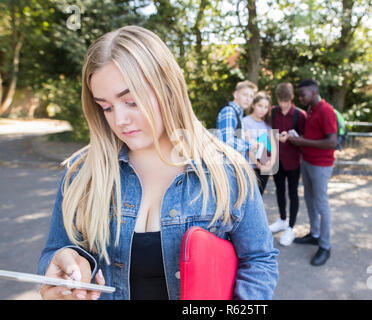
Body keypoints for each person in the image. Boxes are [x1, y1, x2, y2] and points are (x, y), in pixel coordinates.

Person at [37, 26, 278, 300]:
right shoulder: (81, 174)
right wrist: (65, 269)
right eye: (106, 107)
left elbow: (259, 260)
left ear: (167, 88)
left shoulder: (228, 172)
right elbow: (56, 251)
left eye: (130, 101)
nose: (119, 120)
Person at [286, 78, 337, 266]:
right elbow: (314, 136)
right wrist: (299, 140)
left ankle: (325, 246)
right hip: (307, 162)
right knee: (309, 198)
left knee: (321, 203)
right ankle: (315, 234)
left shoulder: (326, 111)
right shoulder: (311, 110)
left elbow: (332, 142)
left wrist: (303, 142)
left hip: (321, 165)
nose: (300, 98)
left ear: (314, 92)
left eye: (303, 94)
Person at [269, 83, 306, 246]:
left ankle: (290, 228)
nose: (283, 104)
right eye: (281, 101)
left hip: (293, 161)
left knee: (292, 193)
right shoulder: (273, 112)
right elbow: (268, 132)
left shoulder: (300, 115)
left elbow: (304, 138)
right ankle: (283, 219)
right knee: (279, 191)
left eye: (286, 100)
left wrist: (290, 138)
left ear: (291, 98)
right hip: (277, 160)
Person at [242, 91, 278, 194]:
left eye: (266, 107)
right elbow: (247, 146)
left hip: (264, 166)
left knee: (259, 198)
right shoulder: (245, 122)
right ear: (253, 105)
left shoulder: (267, 124)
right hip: (249, 167)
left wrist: (271, 162)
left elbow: (273, 145)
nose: (263, 110)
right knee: (248, 198)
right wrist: (257, 164)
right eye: (260, 106)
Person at [216, 80, 258, 158]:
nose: (248, 99)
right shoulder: (229, 111)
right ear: (236, 95)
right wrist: (249, 144)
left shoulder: (237, 114)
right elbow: (227, 141)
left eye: (251, 96)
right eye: (245, 95)